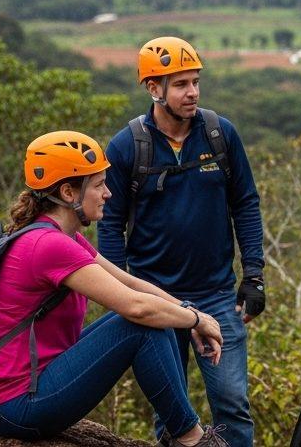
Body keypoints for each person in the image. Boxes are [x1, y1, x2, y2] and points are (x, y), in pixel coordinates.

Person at [0, 130, 226, 446]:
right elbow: (136, 307)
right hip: (17, 403)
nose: (108, 193)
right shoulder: (48, 245)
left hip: (33, 384)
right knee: (140, 325)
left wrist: (190, 313)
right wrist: (197, 321)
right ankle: (191, 439)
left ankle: (183, 435)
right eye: (98, 185)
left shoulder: (62, 237)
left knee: (158, 316)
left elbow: (132, 284)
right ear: (68, 192)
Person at [97, 36, 266, 447]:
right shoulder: (127, 147)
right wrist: (120, 292)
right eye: (180, 84)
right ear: (154, 89)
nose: (192, 92)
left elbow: (245, 203)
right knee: (171, 412)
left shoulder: (219, 135)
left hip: (216, 295)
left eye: (195, 82)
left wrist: (254, 275)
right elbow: (109, 224)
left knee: (231, 404)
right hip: (157, 300)